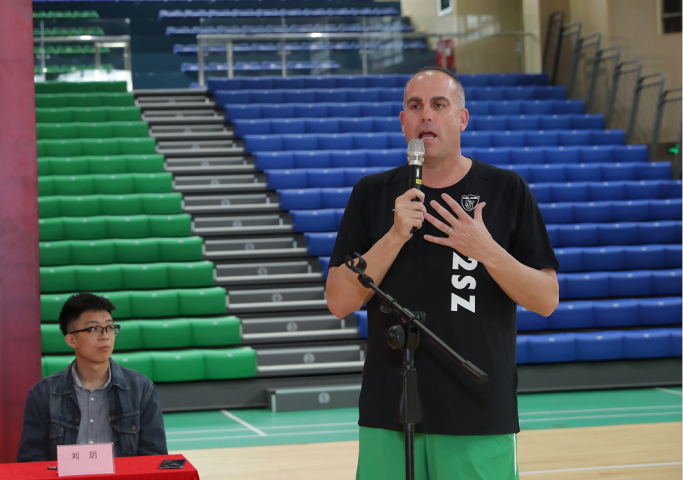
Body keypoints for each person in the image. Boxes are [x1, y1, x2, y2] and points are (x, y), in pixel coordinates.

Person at [326, 67, 560, 479]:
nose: (426, 115)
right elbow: (339, 301)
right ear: (403, 122)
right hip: (388, 409)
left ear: (462, 118)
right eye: (415, 106)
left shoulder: (506, 189)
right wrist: (394, 236)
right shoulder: (372, 193)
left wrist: (487, 251)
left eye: (439, 104)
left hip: (476, 409)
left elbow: (546, 300)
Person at [17, 293, 168, 462]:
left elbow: (154, 457)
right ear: (71, 340)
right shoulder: (43, 394)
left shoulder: (141, 388)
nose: (105, 336)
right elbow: (32, 460)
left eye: (109, 327)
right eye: (94, 329)